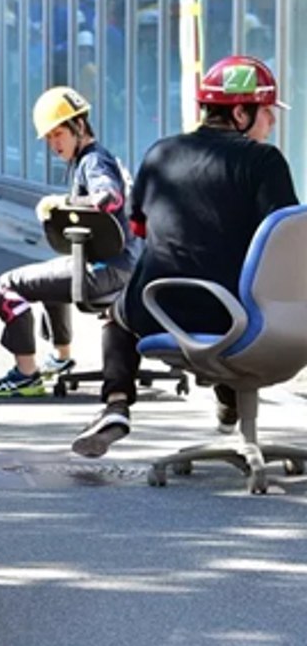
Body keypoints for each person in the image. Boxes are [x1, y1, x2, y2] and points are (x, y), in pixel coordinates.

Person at [77, 56, 300, 458]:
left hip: (158, 308)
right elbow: (285, 240)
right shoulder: (264, 162)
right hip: (237, 316)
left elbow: (139, 227)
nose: (273, 122)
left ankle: (116, 404)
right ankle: (232, 401)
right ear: (240, 112)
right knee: (228, 299)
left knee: (115, 316)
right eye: (267, 111)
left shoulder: (160, 154)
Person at [0, 87, 138, 398]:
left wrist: (64, 202)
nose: (53, 144)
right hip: (120, 265)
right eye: (49, 137)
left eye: (59, 133)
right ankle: (61, 359)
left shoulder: (93, 162)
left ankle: (26, 375)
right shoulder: (92, 157)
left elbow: (109, 196)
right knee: (52, 275)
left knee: (8, 285)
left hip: (108, 269)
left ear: (79, 126)